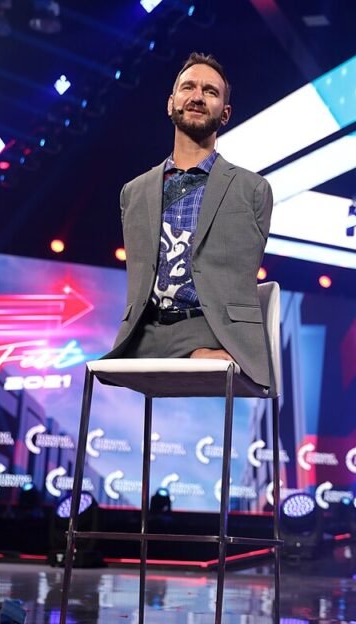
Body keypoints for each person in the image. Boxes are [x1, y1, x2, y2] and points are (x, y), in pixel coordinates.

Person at [104, 53, 274, 389]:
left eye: (210, 92)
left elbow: (236, 282)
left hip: (214, 334)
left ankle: (189, 349)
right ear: (171, 103)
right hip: (144, 337)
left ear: (225, 113)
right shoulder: (133, 192)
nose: (197, 97)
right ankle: (177, 350)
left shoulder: (252, 189)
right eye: (188, 88)